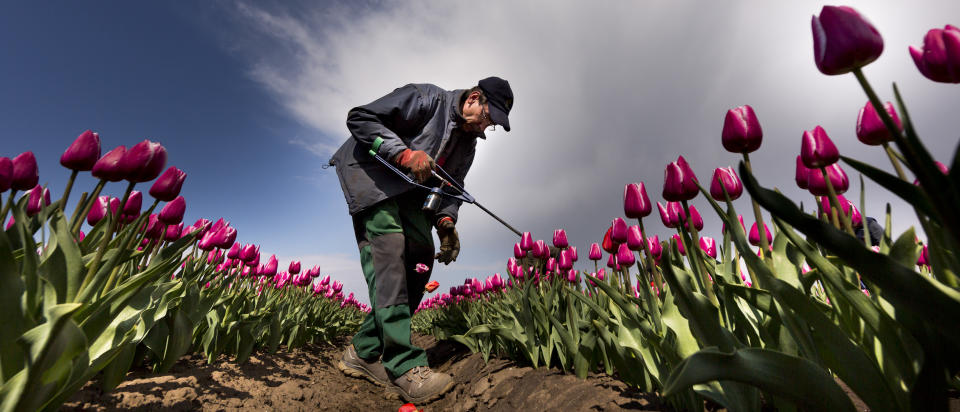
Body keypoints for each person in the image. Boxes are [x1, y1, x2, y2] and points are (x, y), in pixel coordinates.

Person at [328, 77, 514, 402]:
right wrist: (404, 153)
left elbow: (452, 188)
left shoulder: (467, 145)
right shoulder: (426, 99)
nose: (486, 128)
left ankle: (363, 352)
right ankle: (403, 367)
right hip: (373, 178)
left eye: (493, 125)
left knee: (419, 261)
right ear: (473, 99)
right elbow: (360, 118)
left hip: (409, 195)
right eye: (488, 118)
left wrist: (445, 222)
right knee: (390, 260)